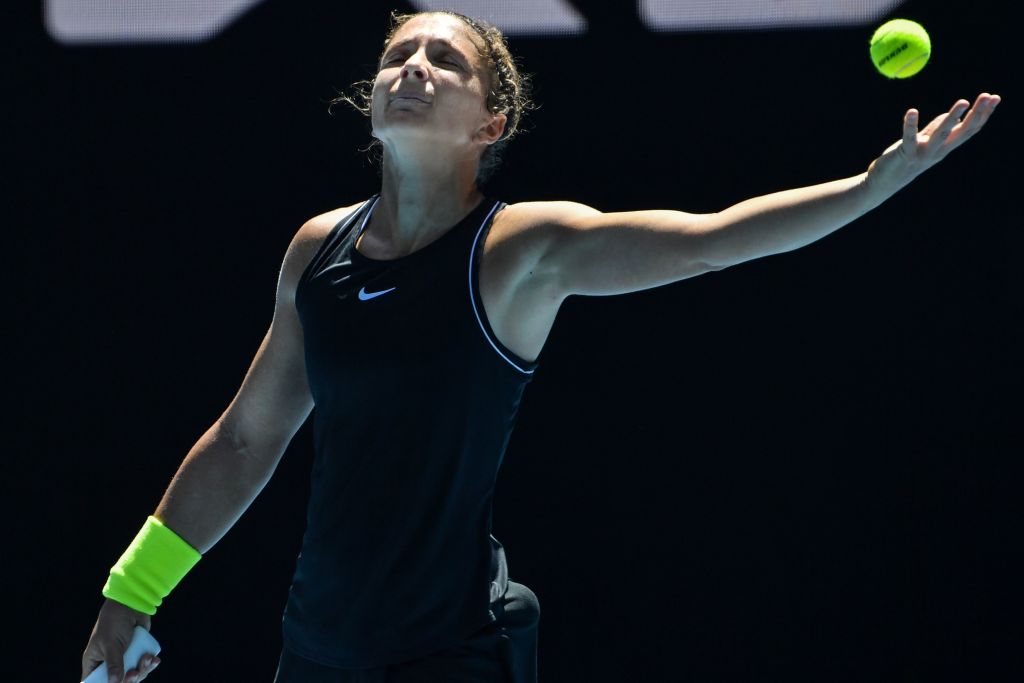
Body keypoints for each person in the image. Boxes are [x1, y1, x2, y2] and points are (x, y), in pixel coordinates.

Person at [80, 8, 1000, 683]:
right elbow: (244, 440)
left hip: (452, 653)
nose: (413, 67)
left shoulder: (522, 249)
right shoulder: (316, 250)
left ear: (490, 124)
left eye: (445, 60)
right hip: (317, 647)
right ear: (371, 102)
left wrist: (868, 188)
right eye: (399, 55)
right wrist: (132, 590)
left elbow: (713, 239)